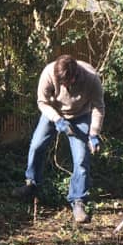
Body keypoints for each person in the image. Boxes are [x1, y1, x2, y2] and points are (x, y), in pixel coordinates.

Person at [13, 54, 105, 223]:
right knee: (36, 146)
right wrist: (58, 120)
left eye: (66, 82)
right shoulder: (48, 73)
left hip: (80, 115)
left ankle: (78, 201)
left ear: (75, 75)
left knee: (81, 159)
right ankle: (32, 184)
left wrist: (93, 133)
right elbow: (42, 102)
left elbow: (99, 106)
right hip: (53, 113)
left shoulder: (91, 78)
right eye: (60, 82)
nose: (63, 85)